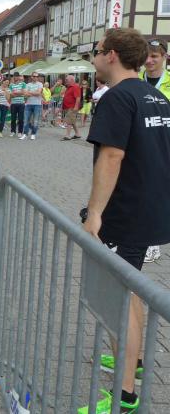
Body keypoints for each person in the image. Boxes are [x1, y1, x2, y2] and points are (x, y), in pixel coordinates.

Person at [80, 27, 170, 414]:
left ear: (112, 55)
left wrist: (94, 213)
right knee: (130, 291)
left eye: (97, 51)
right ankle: (133, 361)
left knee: (119, 298)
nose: (94, 59)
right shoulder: (156, 96)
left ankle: (126, 394)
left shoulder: (116, 97)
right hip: (150, 209)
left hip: (126, 212)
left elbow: (112, 156)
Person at [138, 38, 168, 264]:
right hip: (139, 144)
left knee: (157, 193)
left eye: (154, 56)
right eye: (146, 56)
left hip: (164, 146)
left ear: (164, 57)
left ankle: (152, 243)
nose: (149, 60)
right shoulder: (135, 80)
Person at [23, 72, 44, 140]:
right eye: (34, 76)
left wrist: (29, 92)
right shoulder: (28, 84)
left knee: (35, 120)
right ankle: (25, 134)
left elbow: (38, 93)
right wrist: (35, 92)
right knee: (26, 120)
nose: (35, 77)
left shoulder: (40, 84)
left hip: (37, 104)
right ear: (31, 77)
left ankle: (33, 134)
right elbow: (25, 94)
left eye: (37, 76)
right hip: (28, 104)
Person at [61, 74, 82, 140]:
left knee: (69, 121)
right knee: (72, 121)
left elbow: (78, 98)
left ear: (72, 80)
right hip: (68, 107)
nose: (65, 80)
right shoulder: (69, 87)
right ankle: (77, 134)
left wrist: (76, 107)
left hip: (72, 107)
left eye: (67, 79)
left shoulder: (75, 87)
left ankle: (67, 135)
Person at [8, 72, 26, 139]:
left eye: (17, 76)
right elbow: (11, 95)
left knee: (21, 119)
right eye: (14, 76)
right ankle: (13, 131)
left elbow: (23, 92)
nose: (16, 77)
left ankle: (20, 132)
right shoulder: (11, 85)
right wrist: (19, 93)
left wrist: (15, 93)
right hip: (13, 104)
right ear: (13, 77)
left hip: (21, 103)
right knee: (13, 118)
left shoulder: (23, 84)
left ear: (19, 77)